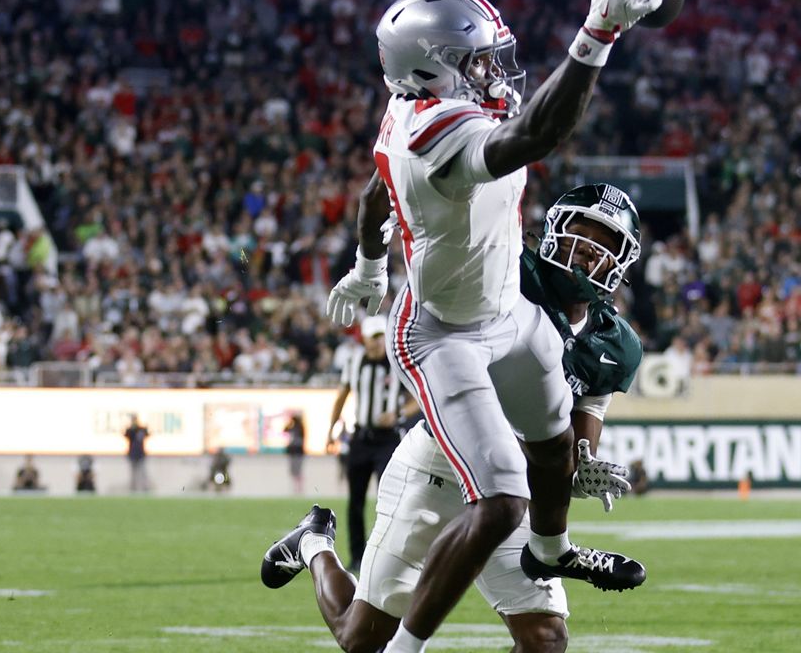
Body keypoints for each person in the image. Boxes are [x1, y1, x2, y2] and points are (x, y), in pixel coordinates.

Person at [319, 0, 664, 652]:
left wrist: (366, 266)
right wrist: (597, 34)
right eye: (476, 62)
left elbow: (374, 190)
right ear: (432, 71)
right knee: (497, 506)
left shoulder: (410, 111)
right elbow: (534, 137)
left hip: (505, 317)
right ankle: (339, 576)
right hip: (445, 335)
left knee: (545, 450)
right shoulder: (431, 133)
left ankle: (555, 545)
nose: (491, 73)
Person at [261, 184, 644, 653]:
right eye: (579, 236)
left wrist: (579, 463)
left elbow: (586, 412)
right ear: (551, 233)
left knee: (545, 637)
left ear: (622, 262)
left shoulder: (615, 344)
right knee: (362, 639)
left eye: (603, 245)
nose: (586, 253)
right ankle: (313, 544)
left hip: (511, 489)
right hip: (438, 464)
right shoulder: (504, 272)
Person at [329, 314, 417, 571]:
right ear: (365, 339)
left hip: (387, 440)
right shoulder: (354, 361)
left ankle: (387, 556)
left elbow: (417, 398)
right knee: (355, 501)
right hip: (360, 437)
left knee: (388, 499)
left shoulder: (397, 361)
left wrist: (399, 414)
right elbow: (342, 395)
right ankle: (357, 556)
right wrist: (331, 428)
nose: (378, 342)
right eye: (374, 337)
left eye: (381, 336)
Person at [124, 415, 151, 492]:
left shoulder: (141, 429)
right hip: (132, 454)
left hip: (141, 454)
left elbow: (148, 434)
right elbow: (126, 435)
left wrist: (145, 428)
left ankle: (145, 488)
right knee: (133, 473)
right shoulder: (130, 430)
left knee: (143, 472)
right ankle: (133, 488)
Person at [284, 413, 306, 494]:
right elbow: (285, 429)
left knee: (298, 470)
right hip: (293, 452)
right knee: (293, 471)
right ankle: (295, 488)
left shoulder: (300, 428)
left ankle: (299, 488)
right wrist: (290, 424)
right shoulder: (292, 428)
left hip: (298, 452)